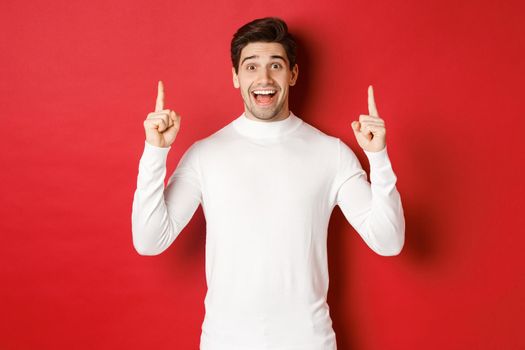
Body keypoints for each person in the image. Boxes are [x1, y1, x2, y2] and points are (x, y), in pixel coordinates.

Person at [132, 16, 405, 350]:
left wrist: (378, 157)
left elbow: (389, 242)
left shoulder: (331, 153)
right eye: (250, 67)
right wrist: (154, 153)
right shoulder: (205, 155)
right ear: (235, 77)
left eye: (275, 65)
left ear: (292, 74)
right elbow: (149, 241)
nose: (263, 78)